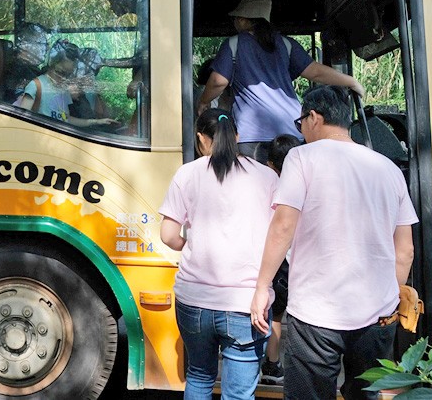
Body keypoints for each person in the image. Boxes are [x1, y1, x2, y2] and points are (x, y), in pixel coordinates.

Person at [249, 86, 418, 400]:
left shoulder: (301, 157)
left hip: (316, 315)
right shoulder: (388, 169)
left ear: (313, 117)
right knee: (365, 395)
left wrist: (262, 287)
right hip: (377, 317)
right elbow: (405, 250)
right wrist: (387, 299)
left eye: (301, 122)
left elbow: (283, 225)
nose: (301, 130)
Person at [159, 108, 279, 400]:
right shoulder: (267, 176)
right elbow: (281, 235)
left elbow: (168, 235)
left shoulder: (187, 174)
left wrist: (188, 245)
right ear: (237, 136)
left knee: (199, 378)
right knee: (238, 394)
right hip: (246, 303)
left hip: (194, 301)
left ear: (201, 139)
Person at [195, 0, 365, 164]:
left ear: (244, 20)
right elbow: (316, 72)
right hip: (292, 131)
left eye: (236, 18)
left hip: (252, 136)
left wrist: (203, 102)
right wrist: (351, 81)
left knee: (259, 188)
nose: (235, 22)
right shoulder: (286, 44)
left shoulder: (234, 44)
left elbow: (218, 81)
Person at [260, 133, 303, 386]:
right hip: (300, 261)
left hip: (276, 261)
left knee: (274, 315)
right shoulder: (305, 183)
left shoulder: (267, 186)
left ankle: (271, 364)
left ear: (270, 165)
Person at [17, 39, 116, 128]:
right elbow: (21, 121)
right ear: (52, 64)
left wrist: (95, 122)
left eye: (67, 75)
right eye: (60, 72)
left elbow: (66, 118)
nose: (62, 78)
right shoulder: (36, 86)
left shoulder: (63, 90)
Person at [3, 22, 48, 103]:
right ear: (25, 45)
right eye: (42, 43)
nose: (46, 48)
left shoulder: (29, 70)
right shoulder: (18, 73)